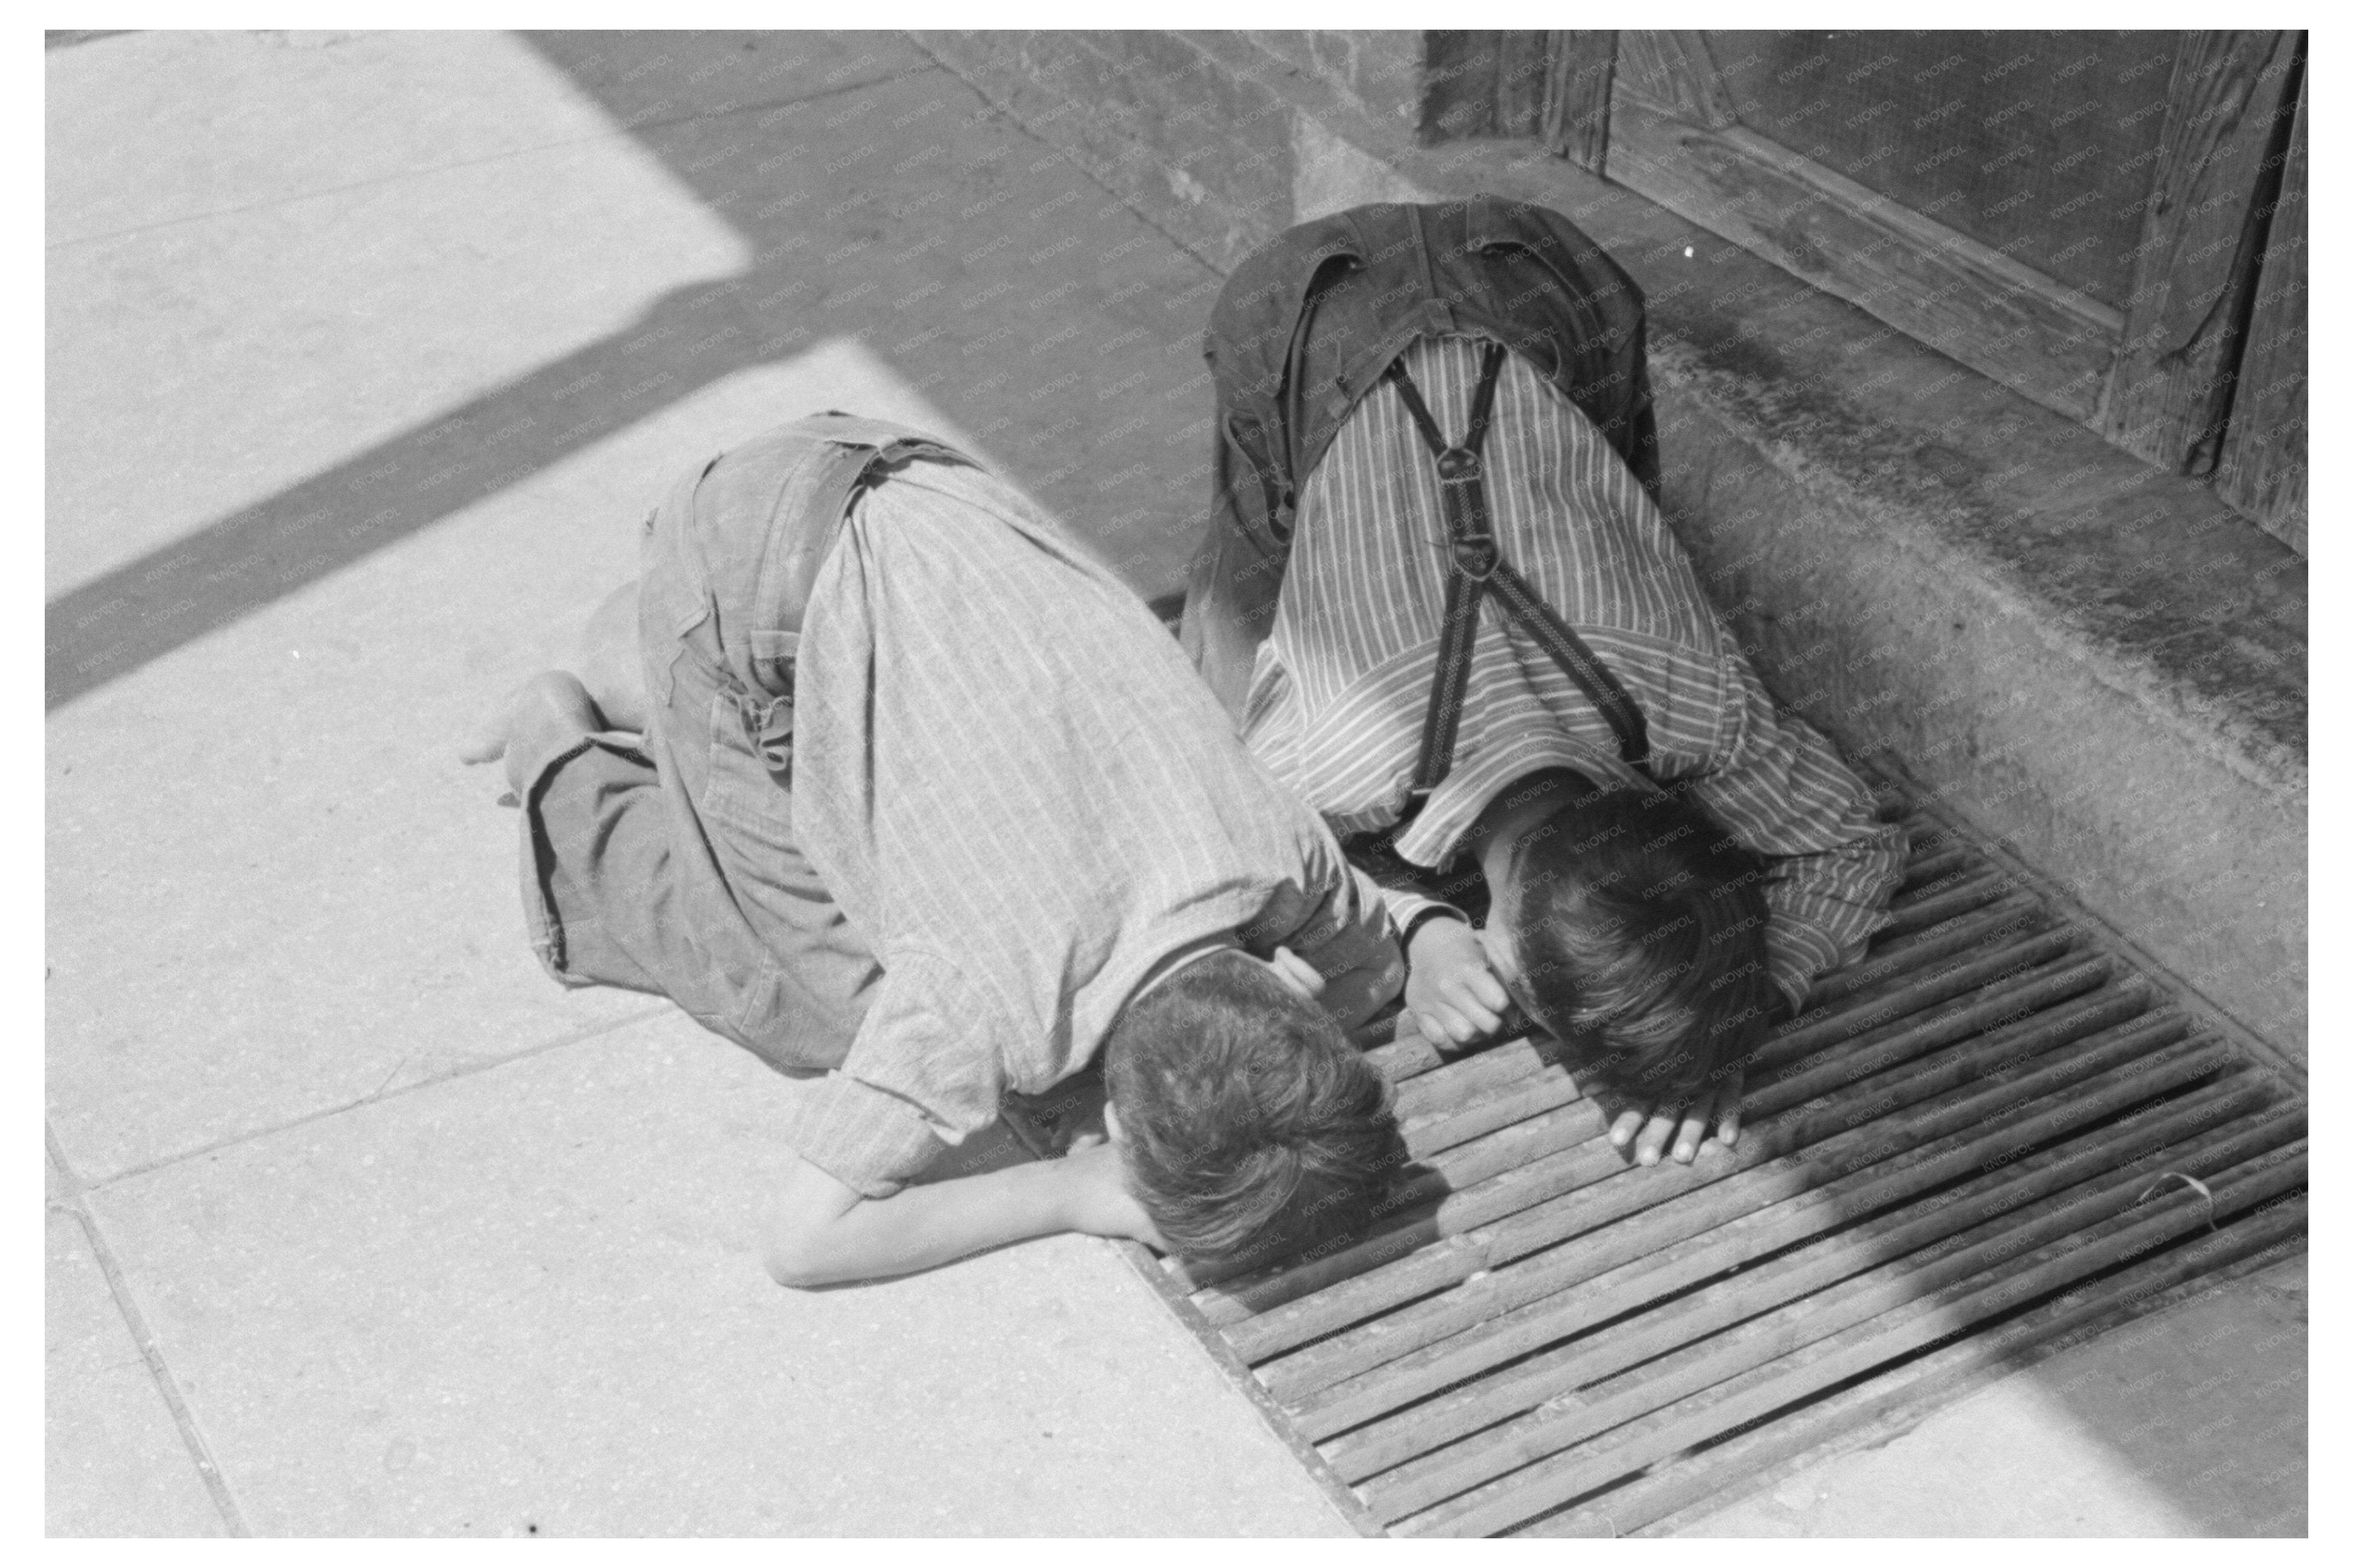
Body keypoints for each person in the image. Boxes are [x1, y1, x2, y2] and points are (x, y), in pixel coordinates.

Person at [462, 413, 1410, 1285]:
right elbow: (802, 1242)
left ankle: (654, 650)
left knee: (789, 775)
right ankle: (560, 741)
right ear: (1115, 1127)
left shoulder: (1281, 854)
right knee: (817, 1003)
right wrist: (1071, 1195)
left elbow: (1370, 974)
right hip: (749, 564)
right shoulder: (975, 1004)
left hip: (916, 490)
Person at [1180, 198, 1906, 1169]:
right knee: (1223, 653)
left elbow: (1852, 845)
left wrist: (1744, 998)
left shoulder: (1690, 703)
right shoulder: (1339, 753)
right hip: (1314, 313)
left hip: (1544, 269)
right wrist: (1422, 928)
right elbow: (1248, 849)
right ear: (1503, 954)